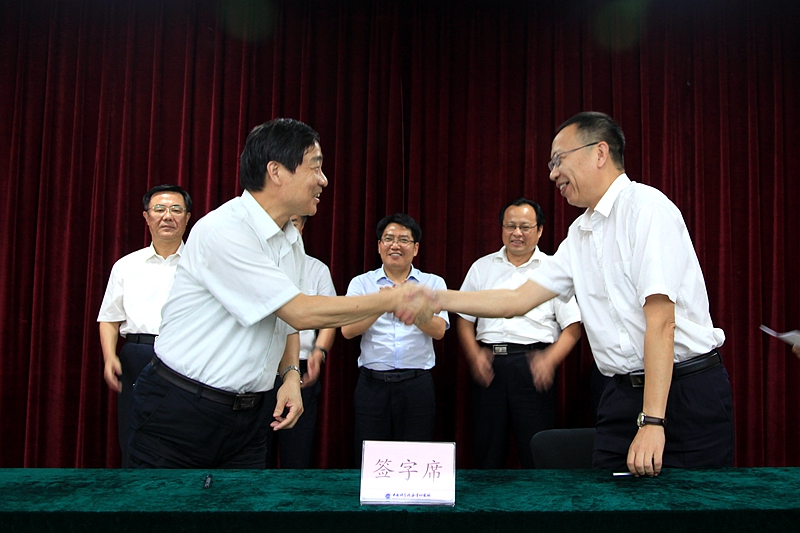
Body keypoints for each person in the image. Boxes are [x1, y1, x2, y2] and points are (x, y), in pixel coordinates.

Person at [437, 111, 734, 477]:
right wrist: (437, 298)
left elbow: (661, 322)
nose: (553, 174)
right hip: (621, 395)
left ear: (599, 153)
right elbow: (517, 299)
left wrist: (653, 421)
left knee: (691, 503)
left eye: (558, 160)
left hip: (684, 392)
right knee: (607, 503)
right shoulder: (579, 234)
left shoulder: (646, 209)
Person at [128, 119, 436, 469]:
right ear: (276, 172)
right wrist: (393, 298)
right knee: (166, 503)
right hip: (181, 410)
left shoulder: (290, 239)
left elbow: (283, 321)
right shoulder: (224, 230)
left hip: (248, 417)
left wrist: (290, 374)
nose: (324, 180)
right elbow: (298, 311)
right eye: (315, 167)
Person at [457, 197, 581, 469]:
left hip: (532, 367)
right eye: (510, 226)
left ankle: (538, 498)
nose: (517, 233)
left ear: (540, 230)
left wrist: (549, 360)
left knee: (537, 450)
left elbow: (573, 326)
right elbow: (464, 320)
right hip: (489, 367)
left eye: (525, 227)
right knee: (487, 450)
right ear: (501, 228)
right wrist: (474, 355)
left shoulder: (553, 270)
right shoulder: (482, 267)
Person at [341, 214, 449, 467]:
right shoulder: (361, 283)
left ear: (416, 248)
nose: (395, 245)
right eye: (388, 239)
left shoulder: (432, 283)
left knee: (416, 458)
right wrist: (382, 304)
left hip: (417, 384)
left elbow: (439, 331)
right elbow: (348, 330)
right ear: (379, 246)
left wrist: (408, 307)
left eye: (403, 240)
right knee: (371, 460)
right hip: (372, 386)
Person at [97, 184, 192, 467]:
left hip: (187, 356)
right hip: (138, 356)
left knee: (184, 436)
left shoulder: (201, 266)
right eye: (159, 209)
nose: (167, 216)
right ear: (146, 217)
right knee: (134, 435)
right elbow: (109, 318)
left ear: (187, 217)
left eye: (176, 210)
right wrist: (110, 357)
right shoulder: (126, 266)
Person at [264, 214, 336, 468]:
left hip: (301, 368)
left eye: (293, 222)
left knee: (297, 452)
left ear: (303, 226)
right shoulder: (258, 265)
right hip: (260, 370)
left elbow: (329, 319)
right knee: (257, 454)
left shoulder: (316, 269)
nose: (286, 228)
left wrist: (319, 351)